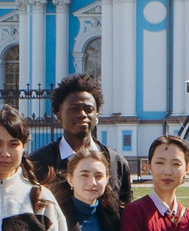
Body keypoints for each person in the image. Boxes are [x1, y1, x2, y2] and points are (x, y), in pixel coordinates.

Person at [29, 72, 133, 205]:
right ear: (59, 115)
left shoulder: (116, 163)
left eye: (88, 109)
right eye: (74, 109)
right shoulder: (38, 163)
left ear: (97, 116)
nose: (82, 114)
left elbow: (125, 213)